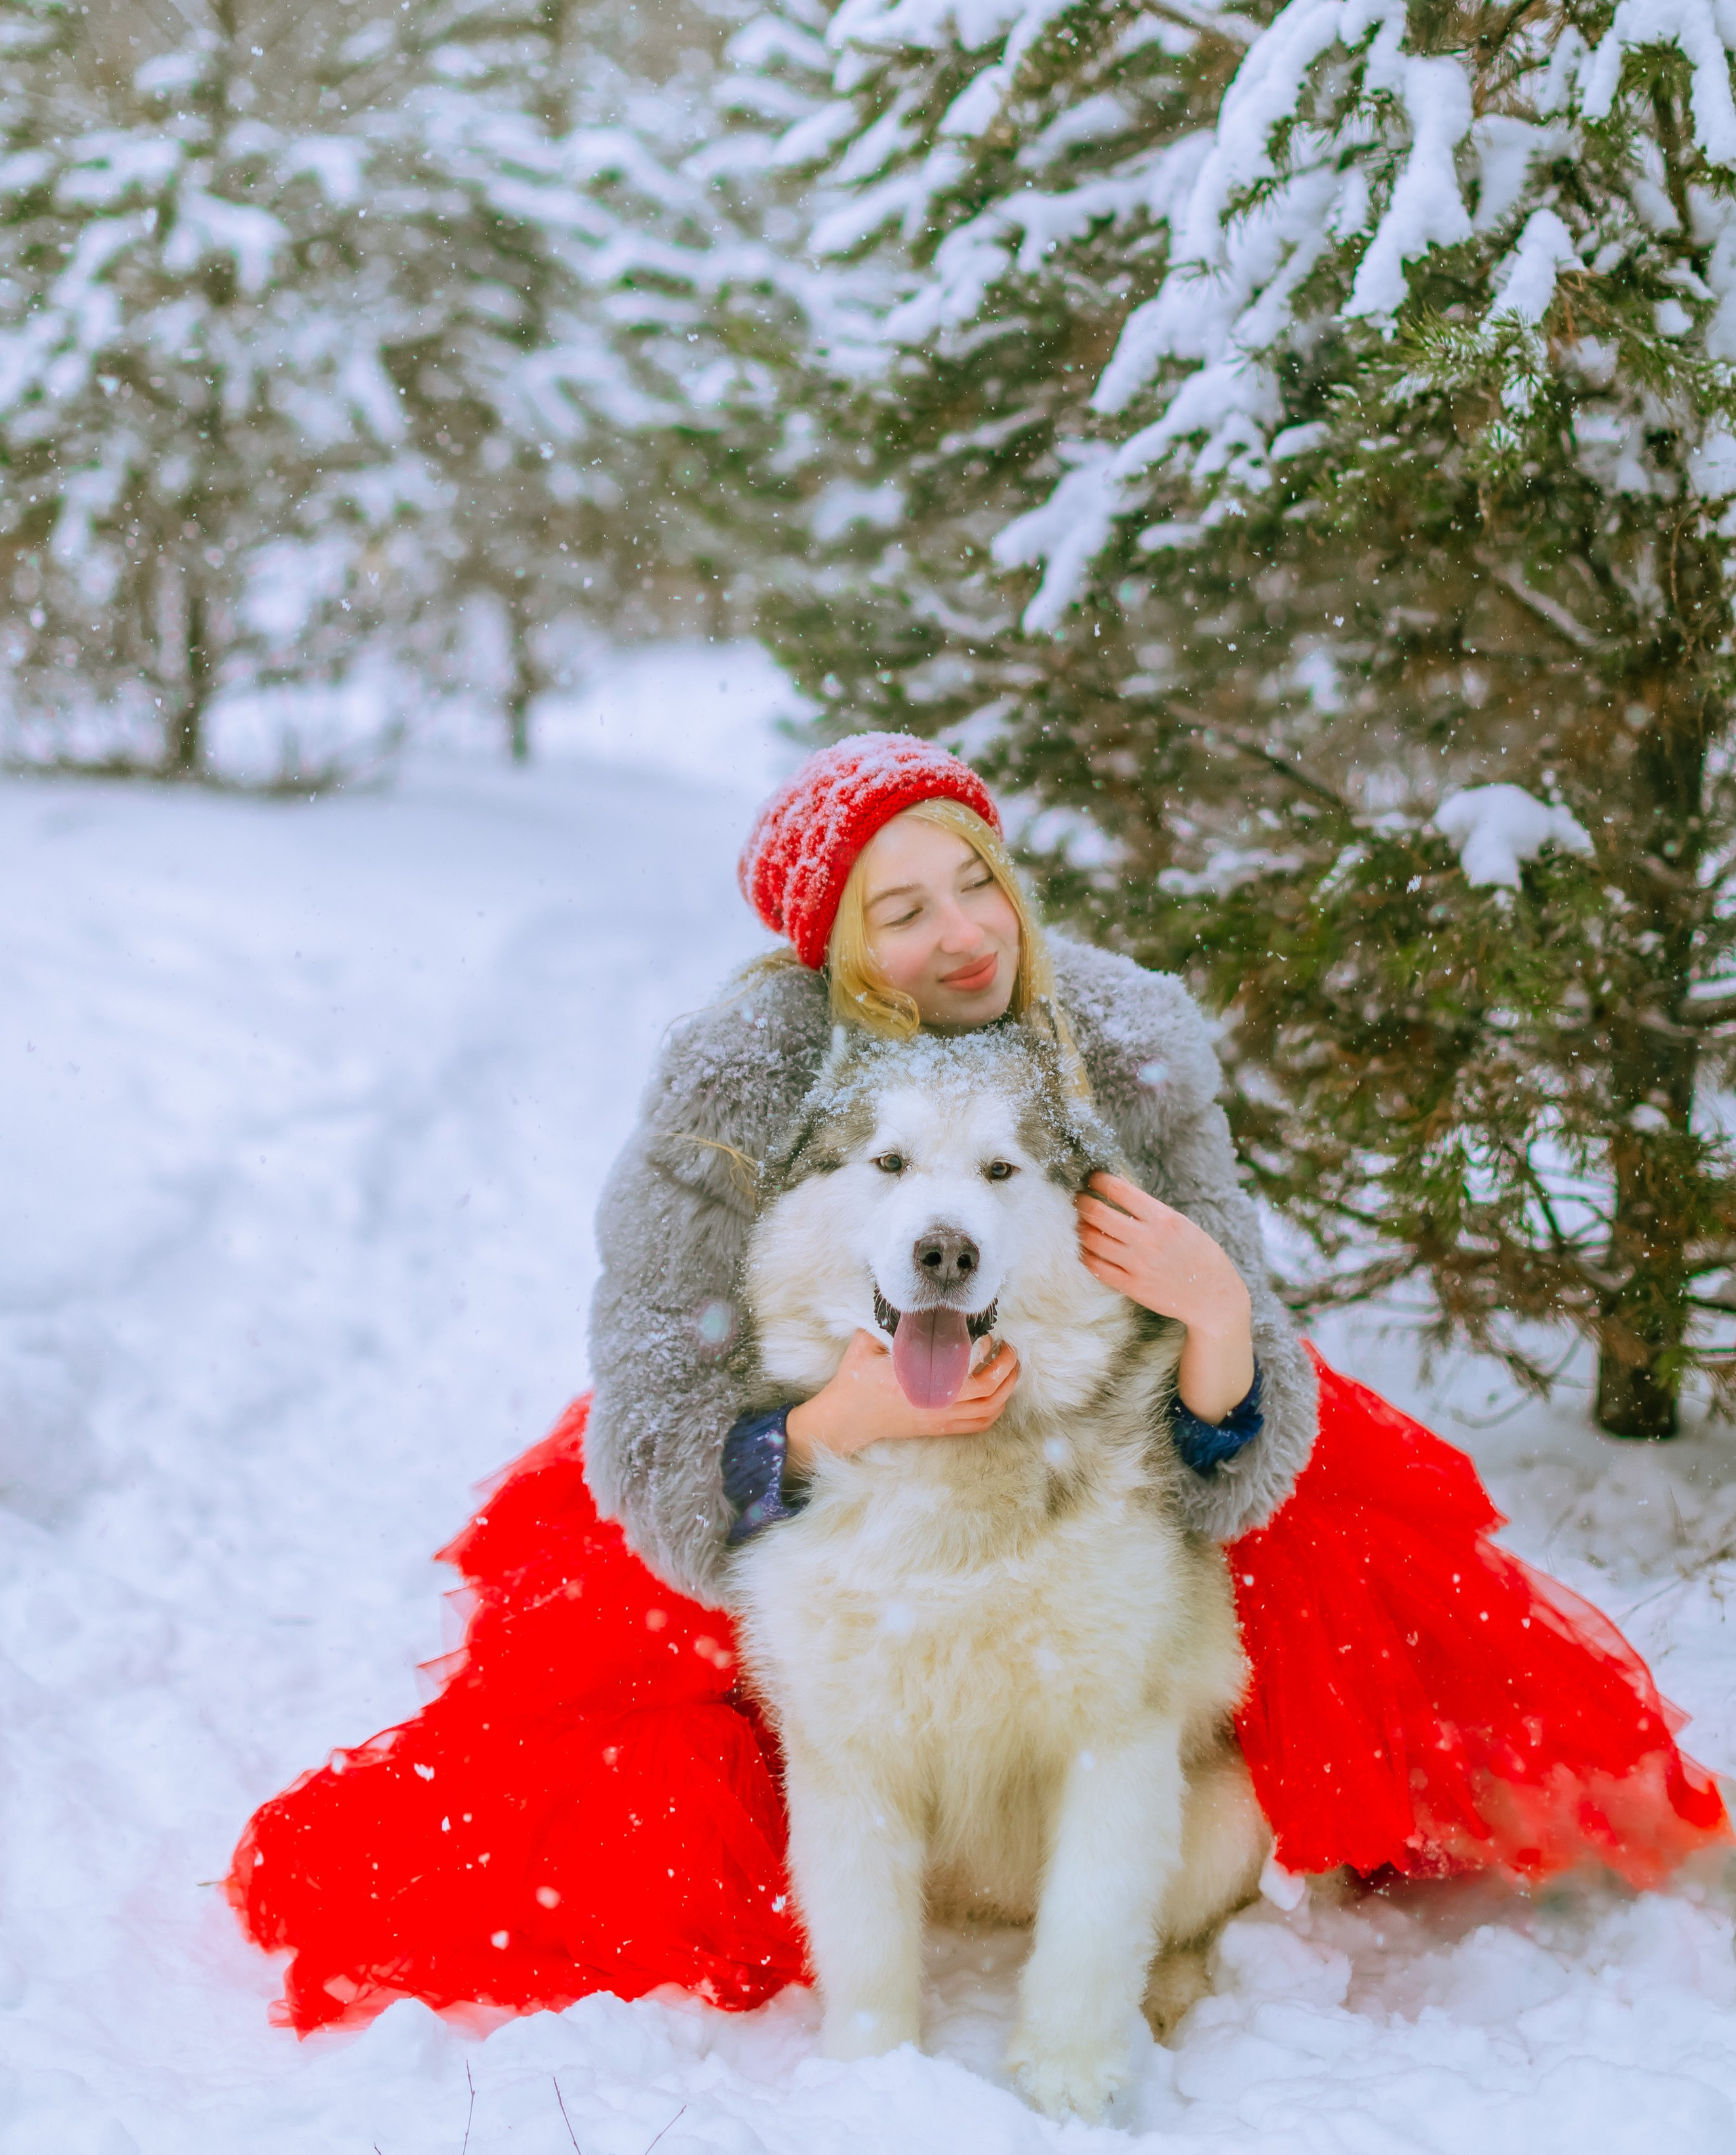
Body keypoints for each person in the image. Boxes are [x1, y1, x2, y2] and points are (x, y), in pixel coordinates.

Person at [229, 734, 1729, 2039]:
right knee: (655, 1699)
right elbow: (657, 1411)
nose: (961, 934)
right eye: (900, 912)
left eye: (974, 883)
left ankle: (1300, 1857)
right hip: (816, 1437)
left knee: (1324, 1598)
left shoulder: (1123, 1037)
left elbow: (1242, 1402)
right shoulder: (741, 1078)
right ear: (829, 948)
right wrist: (838, 1423)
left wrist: (1208, 1307)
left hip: (1104, 1426)